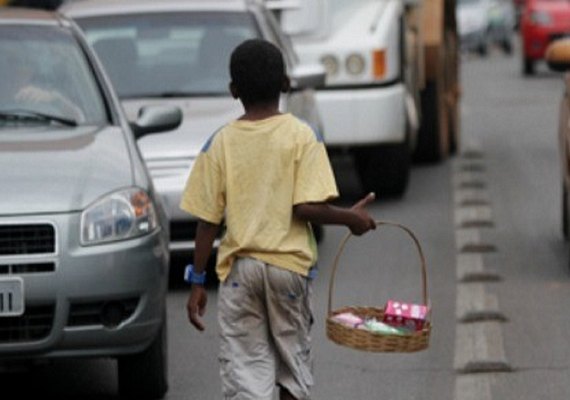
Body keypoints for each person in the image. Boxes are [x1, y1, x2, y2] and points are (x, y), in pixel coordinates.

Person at [180, 39, 377, 400]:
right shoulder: (303, 136)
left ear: (233, 90)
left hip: (240, 273)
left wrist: (196, 282)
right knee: (292, 367)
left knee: (245, 370)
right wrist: (350, 218)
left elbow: (207, 222)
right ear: (286, 84)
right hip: (288, 270)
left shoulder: (219, 142)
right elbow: (305, 209)